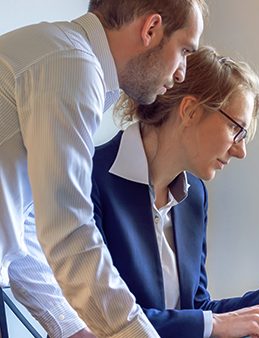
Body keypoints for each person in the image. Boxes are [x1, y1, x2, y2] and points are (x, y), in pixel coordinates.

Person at [12, 46, 259, 338]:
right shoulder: (87, 178)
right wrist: (214, 324)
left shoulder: (194, 196)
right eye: (237, 129)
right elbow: (104, 320)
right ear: (189, 110)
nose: (240, 150)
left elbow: (198, 310)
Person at [0, 1, 206, 337]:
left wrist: (72, 328)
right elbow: (68, 230)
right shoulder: (70, 65)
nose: (182, 72)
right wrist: (131, 332)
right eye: (184, 50)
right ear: (151, 29)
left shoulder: (61, 55)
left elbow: (20, 226)